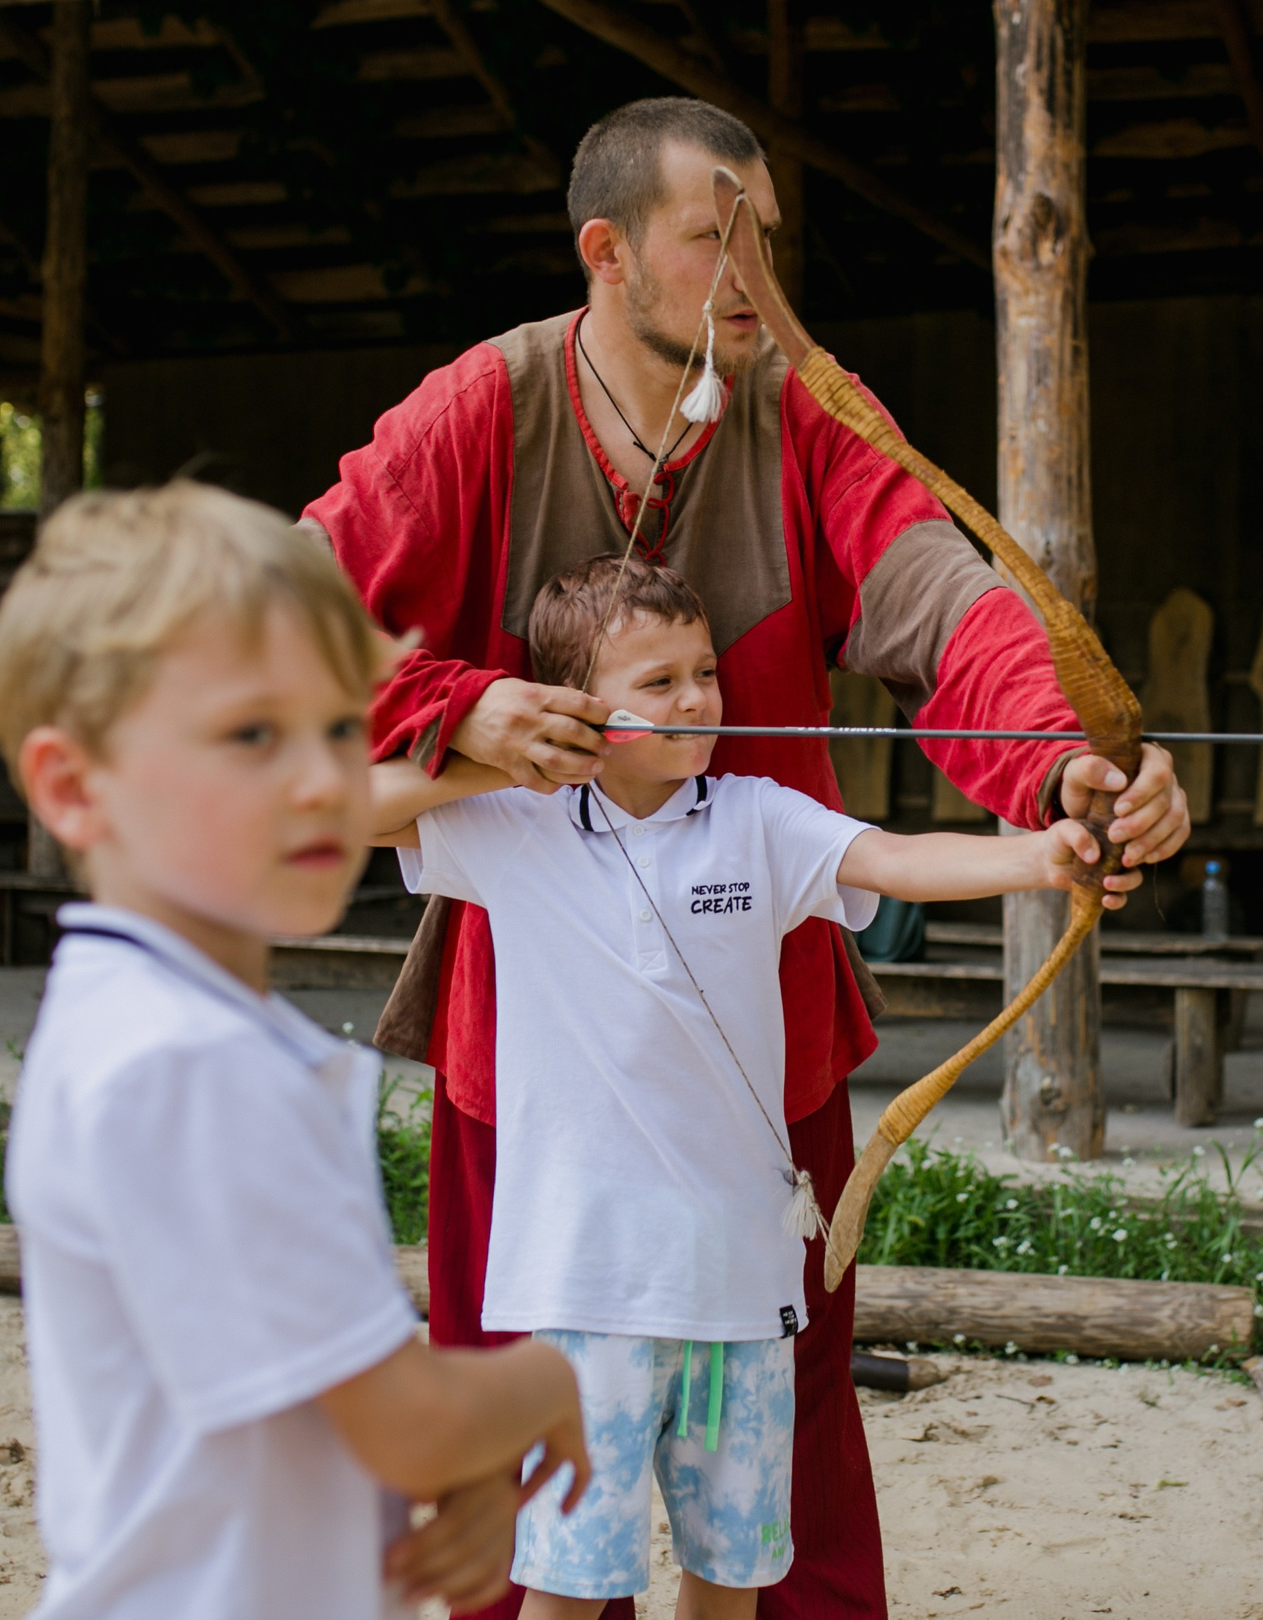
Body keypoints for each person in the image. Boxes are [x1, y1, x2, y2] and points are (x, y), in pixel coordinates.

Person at [302, 96, 1190, 1619]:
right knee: (508, 1450)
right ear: (609, 250)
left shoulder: (807, 408)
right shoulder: (484, 409)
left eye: (765, 237)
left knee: (792, 1455)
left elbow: (944, 599)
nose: (753, 274)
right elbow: (282, 622)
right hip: (530, 1046)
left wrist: (1067, 764)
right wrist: (461, 703)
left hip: (751, 1022)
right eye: (718, 235)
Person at [367, 554, 1141, 1620]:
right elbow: (351, 810)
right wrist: (517, 756)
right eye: (657, 684)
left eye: (704, 672)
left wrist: (1044, 857)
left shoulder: (757, 818)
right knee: (565, 1582)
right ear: (580, 706)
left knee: (730, 1577)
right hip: (580, 1290)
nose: (694, 700)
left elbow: (897, 861)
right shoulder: (512, 832)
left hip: (739, 1286)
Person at [0, 482, 591, 1619]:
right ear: (74, 787)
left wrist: (452, 1456)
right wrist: (544, 1383)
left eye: (334, 726)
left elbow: (318, 1398)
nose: (323, 779)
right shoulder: (190, 1067)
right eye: (252, 734)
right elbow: (405, 1426)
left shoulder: (133, 1014)